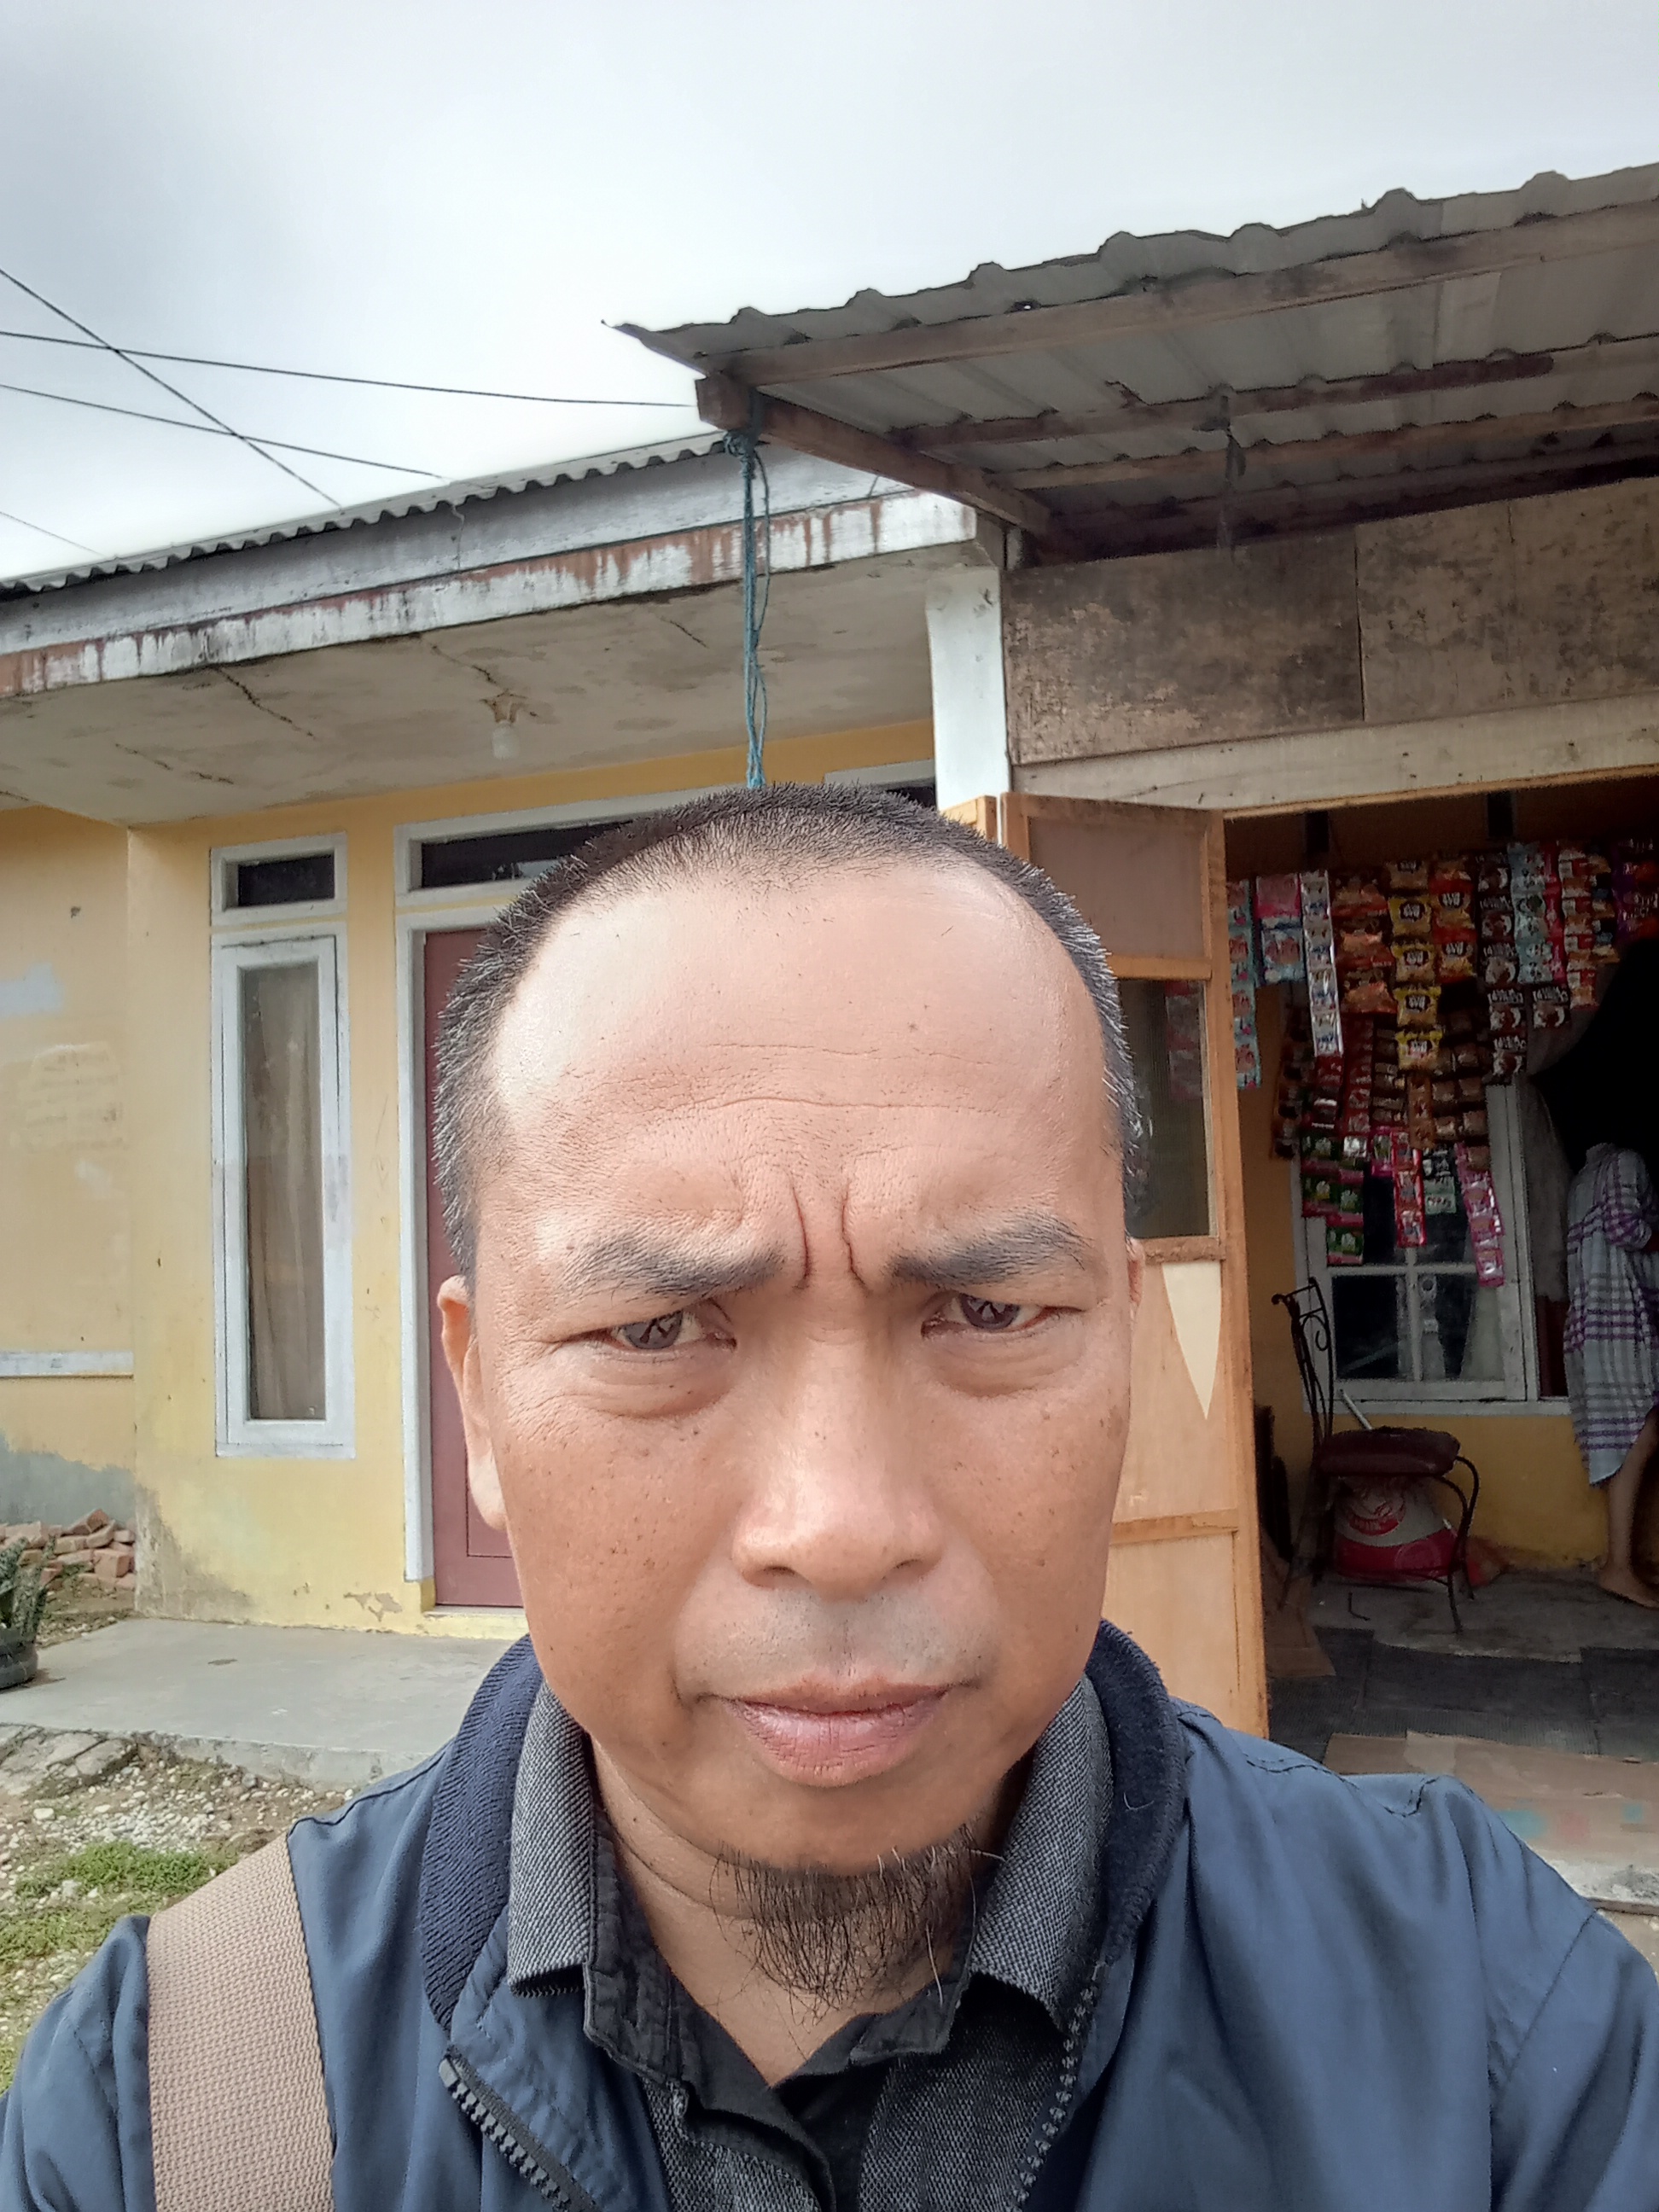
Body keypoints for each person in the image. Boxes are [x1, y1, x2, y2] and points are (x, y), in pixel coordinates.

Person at [3, 783, 1656, 2210]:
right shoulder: (176, 2115)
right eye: (659, 1330)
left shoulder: (1484, 2029)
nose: (841, 1522)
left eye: (986, 1312)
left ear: (1135, 1352)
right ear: (479, 1399)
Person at [1564, 1140, 1659, 1607]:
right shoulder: (1626, 1162)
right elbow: (1626, 1228)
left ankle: (1622, 1562)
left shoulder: (1583, 1179)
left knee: (1627, 1434)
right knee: (1642, 1432)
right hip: (1620, 1316)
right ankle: (1618, 1565)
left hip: (1594, 1317)